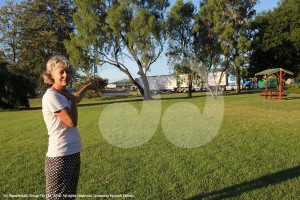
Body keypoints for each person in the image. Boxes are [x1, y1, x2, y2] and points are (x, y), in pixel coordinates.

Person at [42, 55, 96, 199]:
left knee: (69, 196)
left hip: (72, 152)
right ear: (51, 75)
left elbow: (76, 98)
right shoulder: (52, 96)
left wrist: (87, 87)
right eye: (61, 72)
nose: (66, 75)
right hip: (60, 157)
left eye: (68, 71)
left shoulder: (63, 93)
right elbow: (71, 122)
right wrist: (72, 99)